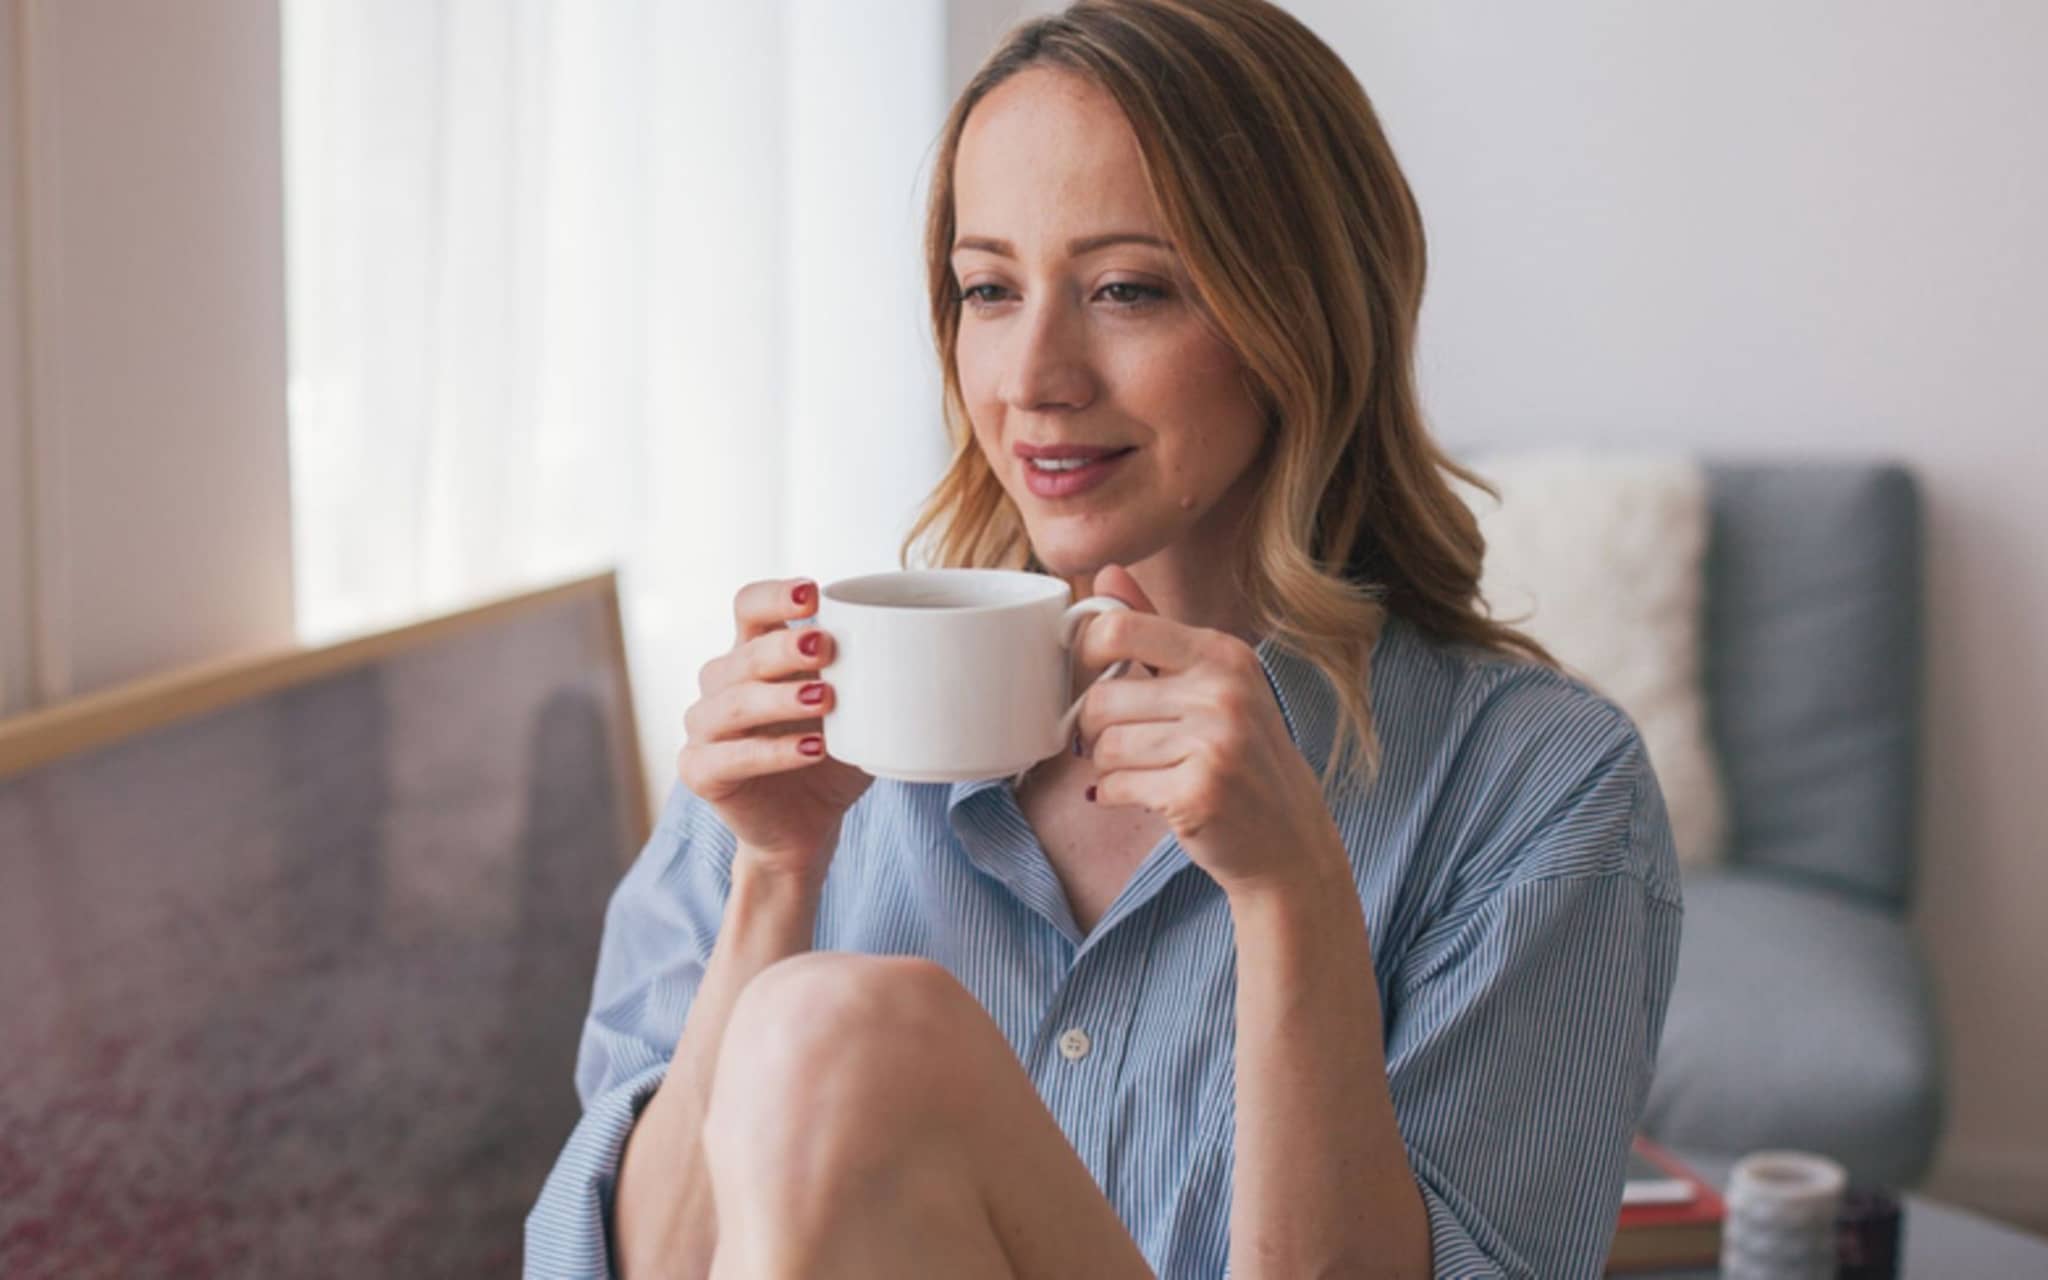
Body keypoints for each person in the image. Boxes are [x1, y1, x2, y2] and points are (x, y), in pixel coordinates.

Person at [527, 0, 1682, 1276]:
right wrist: (771, 877)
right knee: (815, 1022)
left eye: (1127, 288)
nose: (1032, 375)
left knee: (846, 1030)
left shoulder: (1542, 791)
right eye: (987, 288)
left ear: (1299, 312)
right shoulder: (816, 729)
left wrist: (1288, 892)